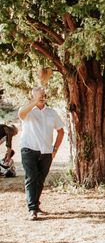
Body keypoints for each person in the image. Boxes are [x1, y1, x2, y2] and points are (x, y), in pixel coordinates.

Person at [18, 87, 65, 221]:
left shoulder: (51, 113)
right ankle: (32, 209)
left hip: (46, 152)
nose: (42, 97)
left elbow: (61, 131)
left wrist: (55, 149)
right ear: (32, 96)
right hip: (29, 150)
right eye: (39, 95)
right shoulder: (27, 111)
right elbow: (21, 114)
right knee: (31, 178)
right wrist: (35, 100)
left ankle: (35, 205)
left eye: (43, 94)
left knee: (40, 180)